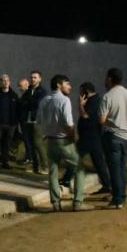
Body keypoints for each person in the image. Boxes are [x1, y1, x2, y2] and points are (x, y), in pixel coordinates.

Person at [37, 75, 86, 211]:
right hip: (63, 140)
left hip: (50, 141)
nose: (70, 87)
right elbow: (69, 123)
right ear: (59, 85)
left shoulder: (44, 100)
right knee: (80, 169)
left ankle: (55, 203)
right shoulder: (64, 100)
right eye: (67, 84)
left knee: (53, 171)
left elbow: (39, 121)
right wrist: (72, 138)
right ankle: (77, 202)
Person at [99, 67, 127, 209]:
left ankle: (118, 199)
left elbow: (102, 120)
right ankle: (122, 195)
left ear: (110, 79)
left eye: (106, 78)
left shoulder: (107, 96)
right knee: (123, 166)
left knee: (114, 168)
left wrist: (114, 122)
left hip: (113, 135)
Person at [60, 83, 111, 195]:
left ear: (86, 92)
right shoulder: (95, 100)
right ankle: (107, 185)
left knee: (75, 157)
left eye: (81, 92)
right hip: (93, 136)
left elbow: (85, 116)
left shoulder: (94, 101)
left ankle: (66, 179)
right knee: (99, 162)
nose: (80, 94)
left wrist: (80, 105)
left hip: (89, 137)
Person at [19, 70, 49, 173]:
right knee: (30, 144)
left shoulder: (42, 92)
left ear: (40, 79)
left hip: (37, 121)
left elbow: (37, 104)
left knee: (38, 144)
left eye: (35, 77)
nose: (33, 79)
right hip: (27, 121)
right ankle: (35, 166)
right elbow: (22, 103)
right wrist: (28, 103)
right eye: (31, 77)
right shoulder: (28, 91)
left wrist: (28, 103)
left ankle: (45, 166)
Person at [16, 77, 33, 163]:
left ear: (26, 85)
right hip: (24, 120)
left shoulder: (29, 94)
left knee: (27, 139)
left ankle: (29, 157)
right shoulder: (25, 94)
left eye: (20, 86)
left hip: (26, 121)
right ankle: (29, 156)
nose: (19, 88)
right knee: (26, 139)